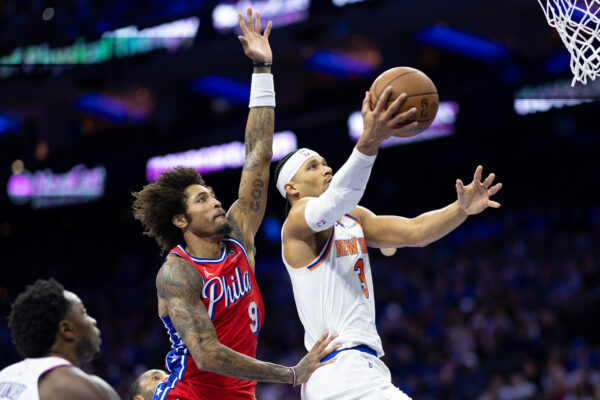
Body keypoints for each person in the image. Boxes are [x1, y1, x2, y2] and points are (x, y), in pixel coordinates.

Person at [132, 8, 338, 400]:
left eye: (211, 194)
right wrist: (293, 374)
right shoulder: (177, 274)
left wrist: (263, 69)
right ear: (180, 220)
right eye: (202, 199)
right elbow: (206, 355)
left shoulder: (239, 233)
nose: (216, 202)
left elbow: (258, 155)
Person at [274, 87, 503, 399]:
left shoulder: (353, 217)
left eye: (325, 163)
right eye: (313, 167)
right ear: (292, 188)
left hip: (352, 372)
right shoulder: (298, 222)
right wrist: (371, 137)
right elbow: (341, 196)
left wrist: (460, 208)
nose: (326, 169)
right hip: (343, 371)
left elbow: (414, 232)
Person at [0, 278, 119, 400]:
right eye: (84, 312)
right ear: (67, 329)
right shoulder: (85, 389)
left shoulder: (3, 377)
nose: (93, 321)